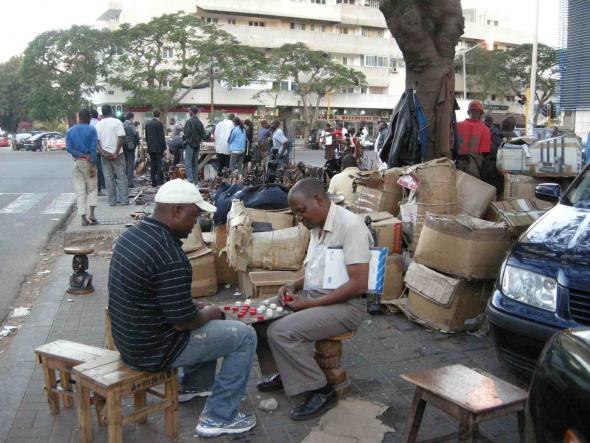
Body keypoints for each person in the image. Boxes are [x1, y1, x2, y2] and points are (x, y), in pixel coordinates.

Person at [108, 179, 257, 437]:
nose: (196, 224)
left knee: (211, 320)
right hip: (153, 351)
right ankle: (219, 417)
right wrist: (208, 312)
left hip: (129, 343)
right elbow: (183, 323)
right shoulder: (170, 255)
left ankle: (193, 386)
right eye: (194, 215)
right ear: (176, 211)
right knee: (243, 336)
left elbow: (161, 300)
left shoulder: (132, 236)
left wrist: (198, 310)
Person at [255, 178, 371, 420]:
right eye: (295, 213)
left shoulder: (351, 227)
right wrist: (294, 284)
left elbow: (359, 283)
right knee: (261, 315)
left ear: (319, 200)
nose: (299, 218)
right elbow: (316, 269)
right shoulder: (316, 224)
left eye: (301, 211)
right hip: (317, 295)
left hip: (346, 307)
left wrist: (309, 304)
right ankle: (287, 373)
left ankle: (321, 390)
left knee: (281, 331)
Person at [66, 109, 98, 226]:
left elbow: (69, 148)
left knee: (80, 191)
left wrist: (80, 155)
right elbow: (93, 148)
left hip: (77, 163)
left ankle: (83, 218)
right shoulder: (92, 130)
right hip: (89, 162)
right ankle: (92, 215)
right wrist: (93, 165)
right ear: (89, 118)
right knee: (92, 189)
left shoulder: (70, 131)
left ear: (79, 117)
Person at [95, 105, 128, 206]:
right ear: (111, 111)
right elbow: (121, 137)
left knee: (108, 178)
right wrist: (116, 152)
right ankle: (124, 200)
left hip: (105, 155)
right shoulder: (117, 122)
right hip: (118, 154)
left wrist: (102, 153)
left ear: (103, 113)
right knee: (121, 177)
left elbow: (97, 141)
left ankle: (112, 201)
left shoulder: (98, 125)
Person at [456, 100, 492, 179]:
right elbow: (484, 153)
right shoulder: (486, 130)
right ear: (481, 114)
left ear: (468, 112)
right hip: (476, 170)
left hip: (458, 167)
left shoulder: (457, 126)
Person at [183, 106, 206, 184]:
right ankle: (195, 181)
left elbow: (186, 133)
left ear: (192, 112)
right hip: (197, 145)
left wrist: (186, 139)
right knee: (195, 163)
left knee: (188, 163)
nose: (188, 112)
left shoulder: (189, 122)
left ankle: (190, 180)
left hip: (189, 144)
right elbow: (204, 135)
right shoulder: (200, 123)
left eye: (189, 111)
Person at [145, 109, 167, 187]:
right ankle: (159, 181)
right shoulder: (159, 123)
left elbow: (147, 137)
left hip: (151, 147)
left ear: (152, 114)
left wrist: (148, 145)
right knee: (159, 164)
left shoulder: (147, 124)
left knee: (153, 164)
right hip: (158, 147)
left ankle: (153, 181)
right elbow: (161, 137)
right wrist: (164, 148)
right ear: (159, 115)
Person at [90, 109, 106, 195]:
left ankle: (90, 189)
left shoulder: (87, 124)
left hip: (88, 152)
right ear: (97, 116)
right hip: (98, 151)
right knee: (99, 170)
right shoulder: (99, 123)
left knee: (90, 170)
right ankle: (99, 188)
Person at [123, 112, 139, 188]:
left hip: (122, 147)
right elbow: (135, 133)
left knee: (124, 164)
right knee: (130, 165)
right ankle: (129, 183)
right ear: (131, 118)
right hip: (130, 147)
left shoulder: (122, 124)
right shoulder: (130, 124)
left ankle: (124, 181)